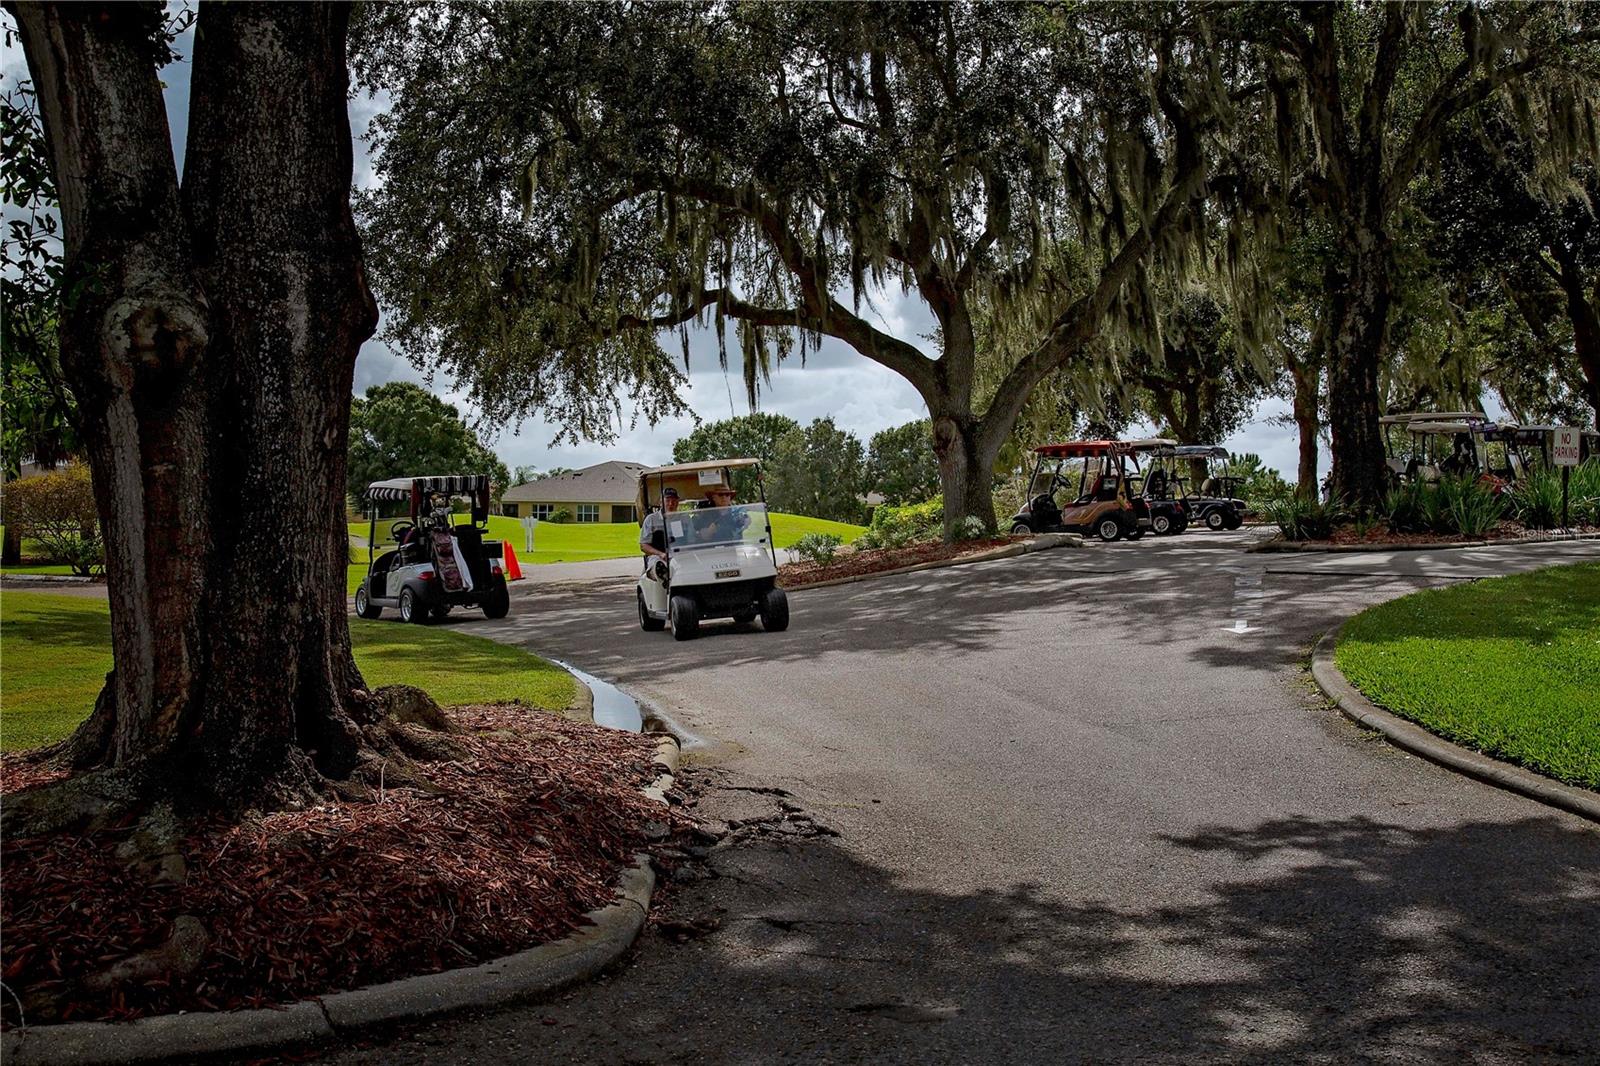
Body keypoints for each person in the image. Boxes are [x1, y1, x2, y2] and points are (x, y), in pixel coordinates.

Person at [640, 486, 679, 565]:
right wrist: (661, 554)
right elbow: (644, 545)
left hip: (679, 555)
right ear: (661, 503)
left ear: (678, 502)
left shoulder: (684, 519)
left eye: (674, 501)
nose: (671, 504)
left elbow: (691, 540)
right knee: (658, 566)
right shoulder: (651, 519)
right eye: (667, 501)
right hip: (658, 556)